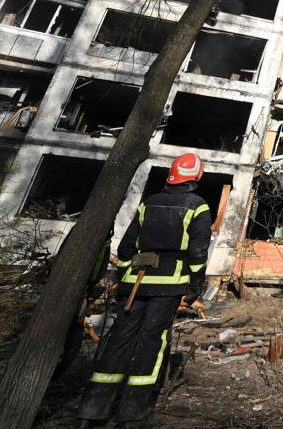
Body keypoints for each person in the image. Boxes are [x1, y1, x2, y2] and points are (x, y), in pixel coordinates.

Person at [78, 153, 212, 426]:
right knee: (153, 342)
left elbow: (127, 246)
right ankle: (134, 411)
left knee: (118, 341)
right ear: (196, 178)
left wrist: (125, 274)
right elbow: (198, 252)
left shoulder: (150, 203)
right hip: (169, 287)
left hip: (134, 286)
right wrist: (195, 285)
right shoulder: (197, 207)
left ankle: (91, 410)